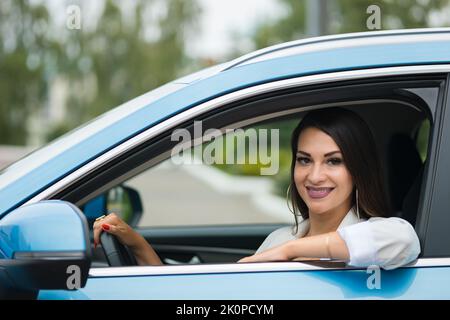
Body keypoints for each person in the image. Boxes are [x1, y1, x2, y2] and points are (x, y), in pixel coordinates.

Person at [93, 107, 421, 270]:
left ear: (357, 170)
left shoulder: (379, 234)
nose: (315, 176)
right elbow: (199, 298)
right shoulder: (280, 239)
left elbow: (404, 241)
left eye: (333, 161)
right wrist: (134, 242)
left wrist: (292, 253)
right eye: (304, 160)